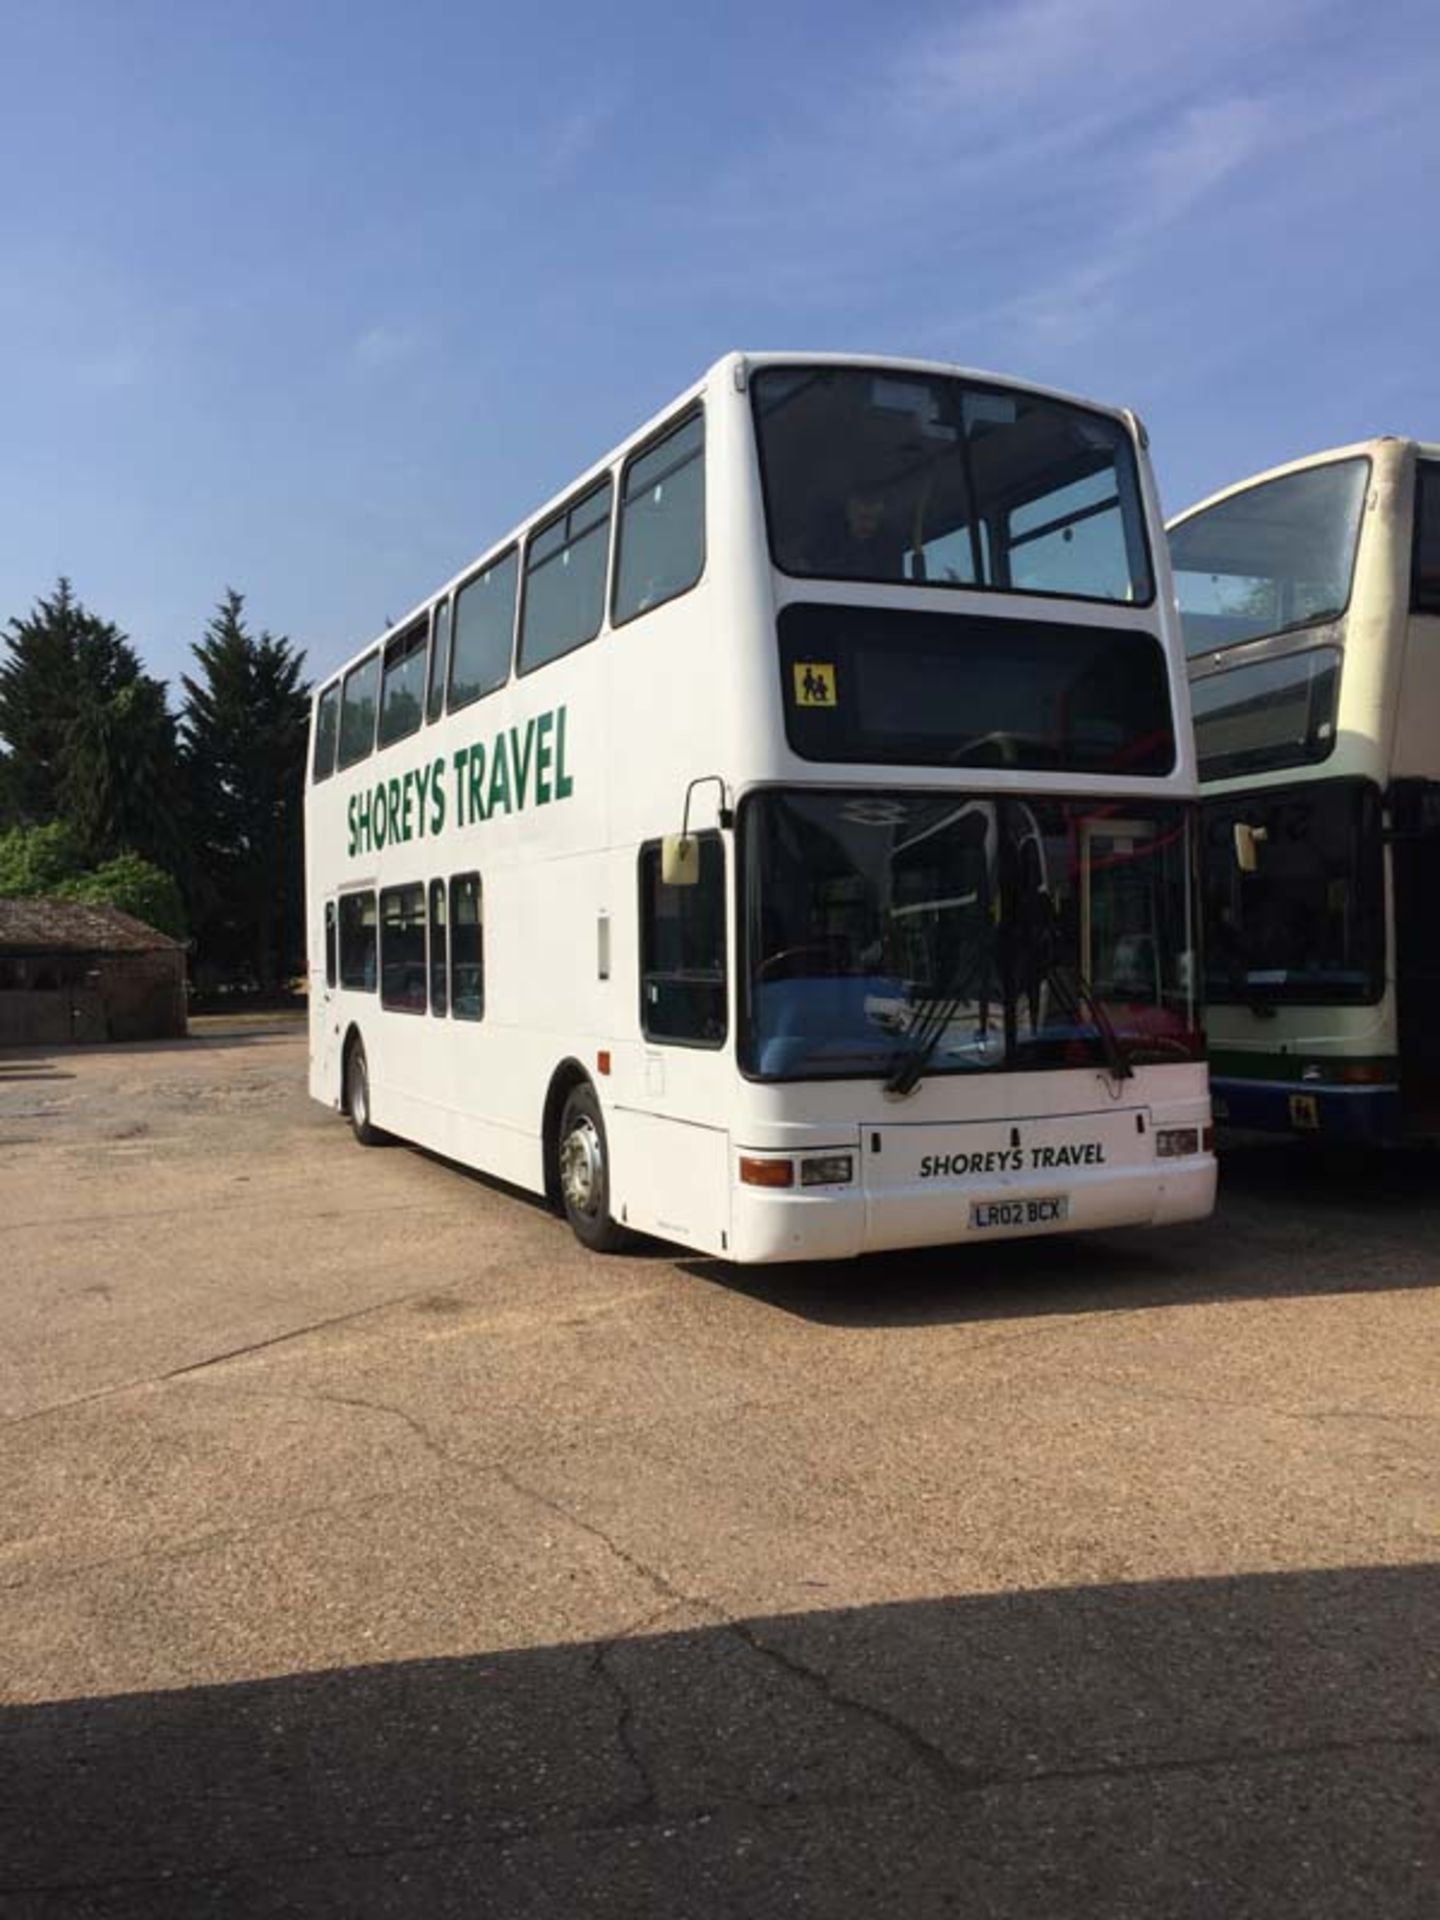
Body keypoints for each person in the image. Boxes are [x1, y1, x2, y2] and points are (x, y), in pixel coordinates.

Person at [800, 487, 910, 580]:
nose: (866, 524)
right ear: (848, 512)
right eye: (862, 517)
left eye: (872, 519)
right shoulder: (822, 542)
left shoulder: (890, 550)